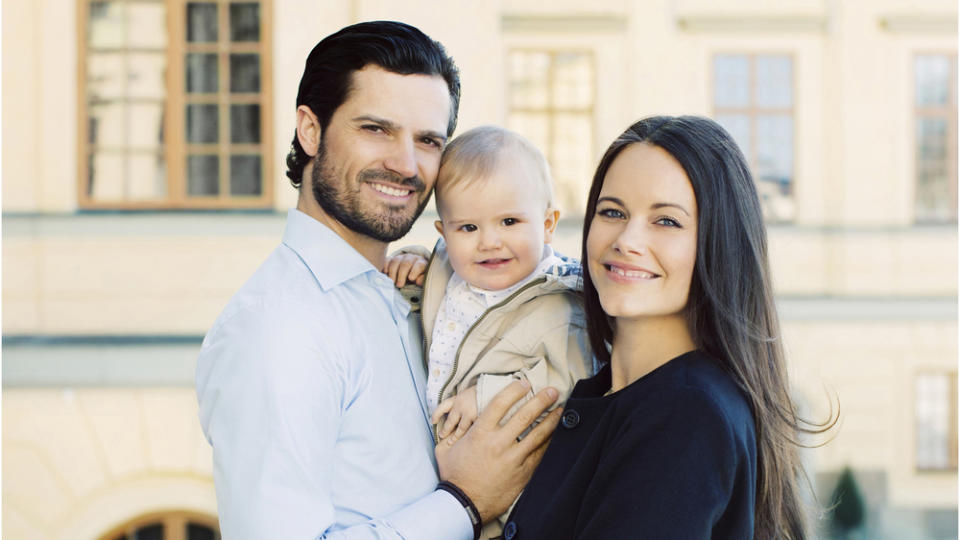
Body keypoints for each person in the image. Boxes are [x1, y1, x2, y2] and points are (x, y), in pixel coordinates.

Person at [196, 21, 561, 540]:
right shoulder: (276, 329)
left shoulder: (421, 289)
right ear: (310, 130)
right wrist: (464, 503)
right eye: (376, 129)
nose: (405, 164)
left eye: (428, 140)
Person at [501, 116, 822, 539]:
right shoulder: (610, 391)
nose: (627, 240)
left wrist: (464, 500)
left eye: (666, 221)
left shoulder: (685, 414)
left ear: (718, 241)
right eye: (612, 212)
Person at [383, 126, 595, 538]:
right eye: (468, 228)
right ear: (444, 233)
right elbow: (430, 316)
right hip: (444, 488)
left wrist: (485, 396)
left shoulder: (563, 303)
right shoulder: (449, 276)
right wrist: (414, 268)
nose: (490, 242)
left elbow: (569, 380)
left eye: (510, 221)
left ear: (548, 223)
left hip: (516, 498)